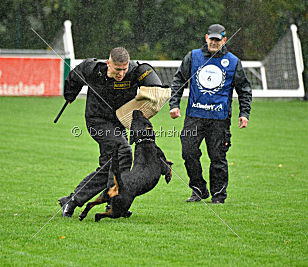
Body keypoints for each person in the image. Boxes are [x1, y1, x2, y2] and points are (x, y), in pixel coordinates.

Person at [59, 47, 162, 216]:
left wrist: (154, 92)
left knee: (110, 168)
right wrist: (69, 95)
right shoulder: (93, 69)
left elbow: (153, 83)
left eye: (124, 69)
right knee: (124, 151)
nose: (121, 73)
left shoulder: (136, 70)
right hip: (97, 121)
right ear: (109, 64)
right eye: (117, 69)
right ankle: (112, 201)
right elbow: (75, 76)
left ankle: (73, 201)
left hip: (119, 123)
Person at [169, 24, 252, 204]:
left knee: (218, 158)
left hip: (219, 120)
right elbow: (178, 81)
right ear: (206, 38)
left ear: (224, 40)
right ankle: (198, 188)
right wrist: (174, 104)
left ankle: (218, 195)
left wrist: (244, 113)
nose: (214, 43)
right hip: (194, 116)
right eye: (211, 39)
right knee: (188, 152)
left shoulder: (233, 62)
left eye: (218, 39)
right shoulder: (193, 57)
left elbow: (244, 89)